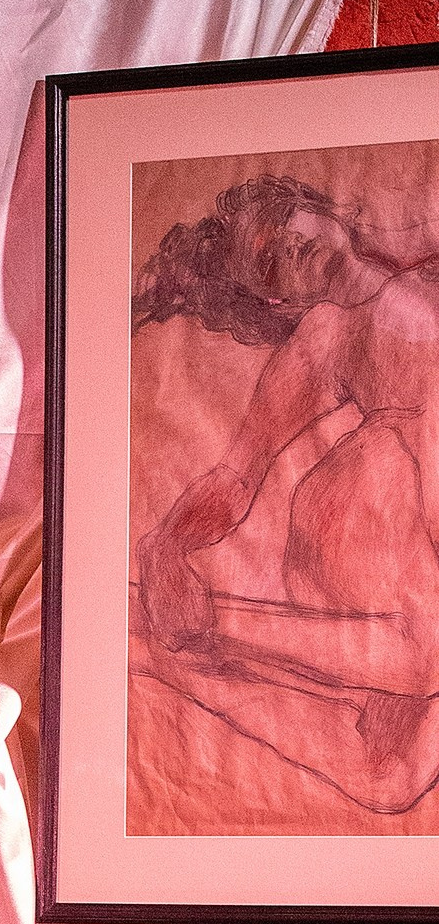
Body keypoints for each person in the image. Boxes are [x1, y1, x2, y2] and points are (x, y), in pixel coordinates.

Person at [133, 172, 439, 811]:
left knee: (389, 773)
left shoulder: (421, 249)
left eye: (289, 227)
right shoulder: (329, 334)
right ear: (276, 299)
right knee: (392, 763)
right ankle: (196, 630)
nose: (292, 249)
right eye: (272, 261)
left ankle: (194, 637)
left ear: (319, 209)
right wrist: (167, 546)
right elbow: (236, 475)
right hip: (387, 513)